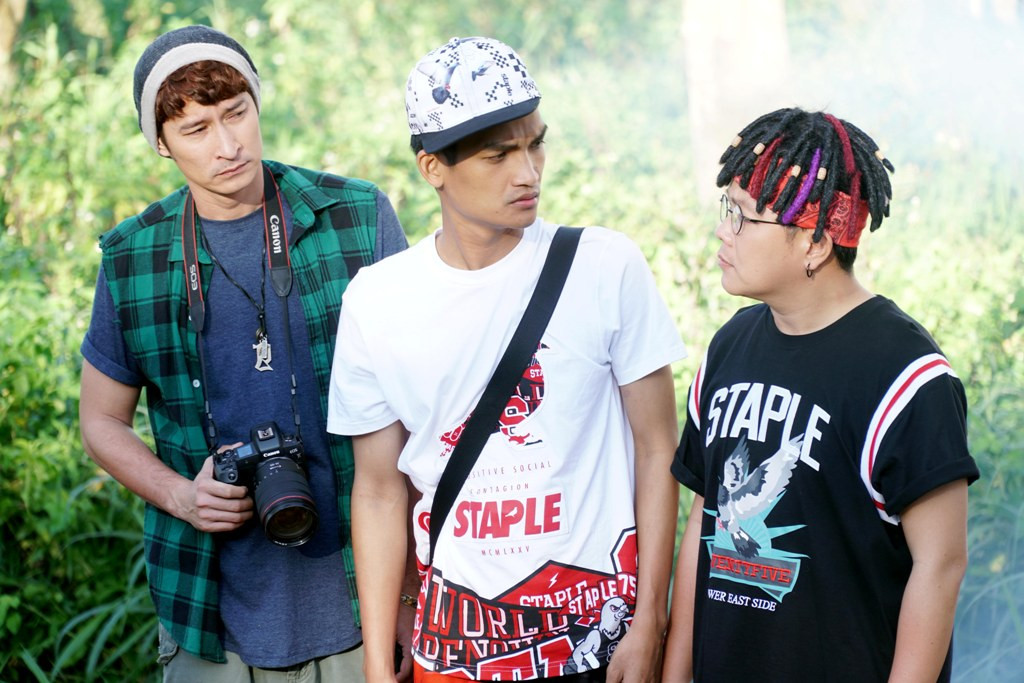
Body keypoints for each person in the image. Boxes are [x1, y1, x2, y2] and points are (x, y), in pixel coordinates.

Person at [326, 36, 687, 683]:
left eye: (535, 145)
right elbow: (378, 490)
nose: (528, 173)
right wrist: (378, 662)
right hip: (455, 648)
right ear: (432, 167)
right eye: (498, 155)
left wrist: (647, 624)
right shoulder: (378, 300)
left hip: (595, 644)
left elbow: (658, 448)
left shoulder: (604, 267)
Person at [78, 25, 408, 681]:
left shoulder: (354, 217)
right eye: (196, 129)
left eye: (237, 114)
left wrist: (407, 591)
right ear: (162, 144)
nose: (227, 145)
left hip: (363, 597)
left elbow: (421, 405)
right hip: (209, 612)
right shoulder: (134, 257)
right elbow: (101, 420)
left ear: (257, 105)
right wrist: (181, 496)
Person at [661, 107, 980, 682]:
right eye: (726, 209)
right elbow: (704, 521)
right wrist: (676, 670)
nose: (723, 231)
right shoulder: (729, 346)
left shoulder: (907, 376)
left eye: (744, 217)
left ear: (815, 242)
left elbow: (940, 565)